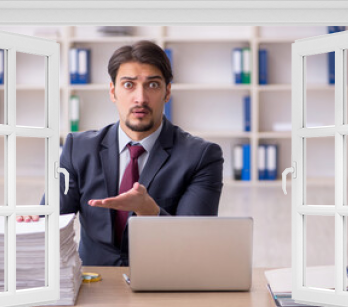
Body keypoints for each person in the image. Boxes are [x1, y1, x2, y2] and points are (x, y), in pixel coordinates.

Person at [18, 40, 224, 266]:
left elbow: (194, 243)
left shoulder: (202, 157)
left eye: (153, 85)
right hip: (94, 283)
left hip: (164, 282)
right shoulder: (78, 148)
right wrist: (35, 223)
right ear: (113, 91)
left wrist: (151, 211)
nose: (141, 98)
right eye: (128, 85)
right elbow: (54, 218)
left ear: (167, 92)